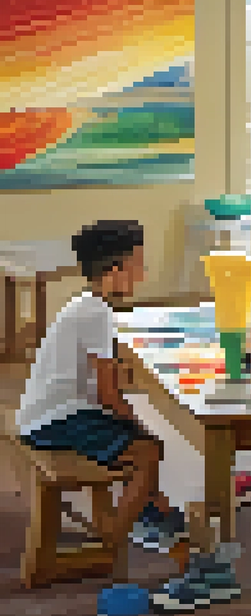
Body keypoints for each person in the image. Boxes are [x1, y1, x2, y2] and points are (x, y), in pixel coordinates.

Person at [14, 221, 187, 554]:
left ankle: (152, 511)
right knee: (149, 449)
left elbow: (103, 385)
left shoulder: (86, 304)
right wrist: (136, 422)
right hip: (52, 422)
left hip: (48, 413)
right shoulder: (97, 314)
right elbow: (108, 396)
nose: (142, 275)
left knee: (137, 439)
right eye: (138, 265)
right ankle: (109, 545)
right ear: (115, 270)